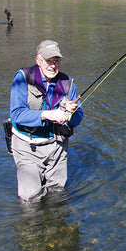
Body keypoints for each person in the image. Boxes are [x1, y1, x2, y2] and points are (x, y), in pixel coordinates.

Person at [9, 40, 83, 202]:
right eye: (48, 61)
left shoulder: (67, 83)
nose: (52, 66)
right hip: (27, 146)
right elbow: (16, 114)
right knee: (31, 198)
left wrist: (72, 112)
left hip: (57, 147)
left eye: (56, 61)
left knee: (57, 194)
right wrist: (47, 115)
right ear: (38, 60)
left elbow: (78, 119)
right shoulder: (22, 78)